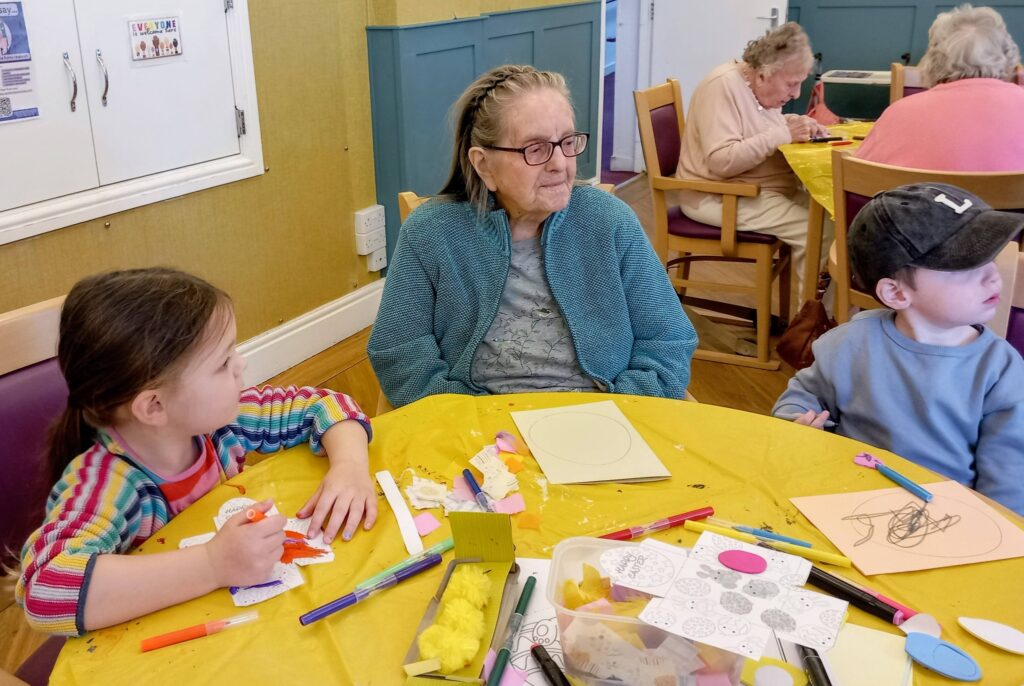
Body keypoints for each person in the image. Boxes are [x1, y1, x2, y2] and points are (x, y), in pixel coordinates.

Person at [17, 268, 377, 636]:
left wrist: (349, 466)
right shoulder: (107, 484)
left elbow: (325, 405)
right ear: (154, 406)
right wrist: (212, 564)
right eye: (222, 363)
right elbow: (44, 591)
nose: (241, 365)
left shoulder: (219, 425)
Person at [368, 65, 697, 408]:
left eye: (567, 142)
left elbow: (668, 340)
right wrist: (468, 417)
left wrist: (619, 411)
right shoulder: (431, 232)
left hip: (605, 417)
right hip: (476, 424)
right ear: (483, 165)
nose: (560, 163)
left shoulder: (609, 221)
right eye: (536, 148)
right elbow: (399, 351)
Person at [772, 184, 1024, 515]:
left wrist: (1001, 533)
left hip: (948, 517)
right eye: (966, 267)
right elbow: (803, 395)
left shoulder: (1000, 368)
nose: (993, 276)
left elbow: (1008, 475)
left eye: (991, 259)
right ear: (895, 293)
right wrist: (796, 421)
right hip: (845, 499)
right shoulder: (848, 343)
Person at [676, 22, 830, 300]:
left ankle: (823, 320)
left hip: (759, 190)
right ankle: (809, 331)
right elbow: (722, 161)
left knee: (834, 218)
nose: (795, 94)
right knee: (816, 232)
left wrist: (795, 123)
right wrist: (783, 133)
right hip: (719, 196)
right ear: (762, 75)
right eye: (792, 84)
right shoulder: (722, 86)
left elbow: (755, 128)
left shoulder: (758, 89)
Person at [857, 4, 1024, 170]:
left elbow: (858, 178)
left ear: (932, 60)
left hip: (925, 195)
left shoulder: (898, 114)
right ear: (1008, 56)